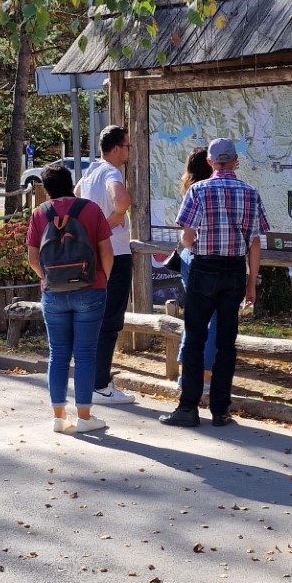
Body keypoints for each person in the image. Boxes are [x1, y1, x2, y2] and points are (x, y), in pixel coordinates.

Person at [160, 137, 268, 428]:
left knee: (195, 338)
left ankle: (188, 408)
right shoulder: (250, 192)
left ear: (209, 162)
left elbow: (187, 236)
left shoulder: (198, 190)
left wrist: (196, 250)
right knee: (226, 343)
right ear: (236, 161)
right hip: (234, 270)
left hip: (204, 269)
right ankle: (221, 409)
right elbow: (255, 242)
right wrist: (252, 283)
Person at [25, 164, 116, 434]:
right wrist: (103, 279)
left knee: (58, 354)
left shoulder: (39, 213)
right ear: (70, 182)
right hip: (90, 289)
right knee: (86, 354)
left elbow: (32, 258)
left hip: (53, 294)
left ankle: (58, 416)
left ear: (47, 189)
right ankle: (85, 417)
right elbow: (107, 252)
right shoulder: (90, 210)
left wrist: (47, 279)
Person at [75, 126, 136, 406]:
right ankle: (100, 385)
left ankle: (93, 379)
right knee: (111, 319)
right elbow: (122, 199)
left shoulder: (90, 172)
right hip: (117, 252)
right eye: (127, 146)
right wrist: (113, 219)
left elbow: (76, 194)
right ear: (116, 149)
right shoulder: (112, 172)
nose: (128, 151)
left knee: (95, 317)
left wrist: (92, 227)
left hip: (93, 253)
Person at [175, 147, 220, 395]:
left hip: (189, 259)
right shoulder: (211, 192)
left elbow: (186, 235)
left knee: (194, 319)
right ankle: (205, 377)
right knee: (213, 320)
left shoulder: (190, 191)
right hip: (208, 259)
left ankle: (186, 376)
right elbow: (189, 236)